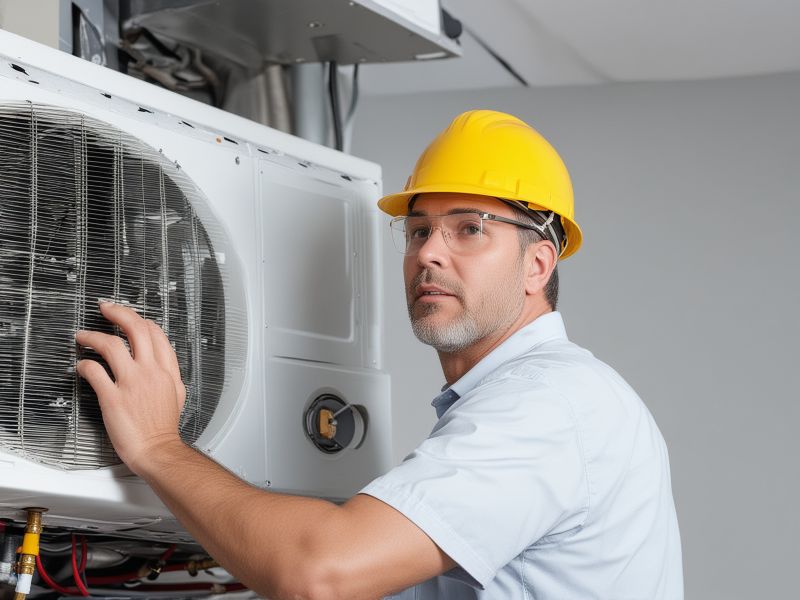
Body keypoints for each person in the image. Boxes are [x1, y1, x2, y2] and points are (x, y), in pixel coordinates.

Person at [76, 110, 683, 599]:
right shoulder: (519, 404)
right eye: (419, 230)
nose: (429, 254)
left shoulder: (550, 402)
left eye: (470, 228)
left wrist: (159, 447)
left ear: (538, 264)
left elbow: (320, 573)